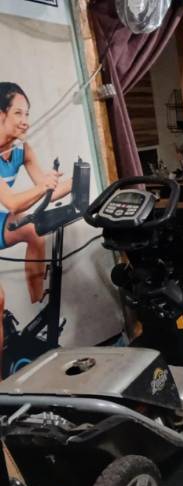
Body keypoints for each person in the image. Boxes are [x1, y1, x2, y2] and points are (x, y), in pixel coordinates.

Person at [0, 82, 72, 374]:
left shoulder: (22, 151)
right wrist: (44, 187)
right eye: (18, 113)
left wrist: (75, 182)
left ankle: (37, 301)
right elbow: (13, 202)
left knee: (33, 230)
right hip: (6, 208)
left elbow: (46, 192)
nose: (25, 121)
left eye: (27, 113)